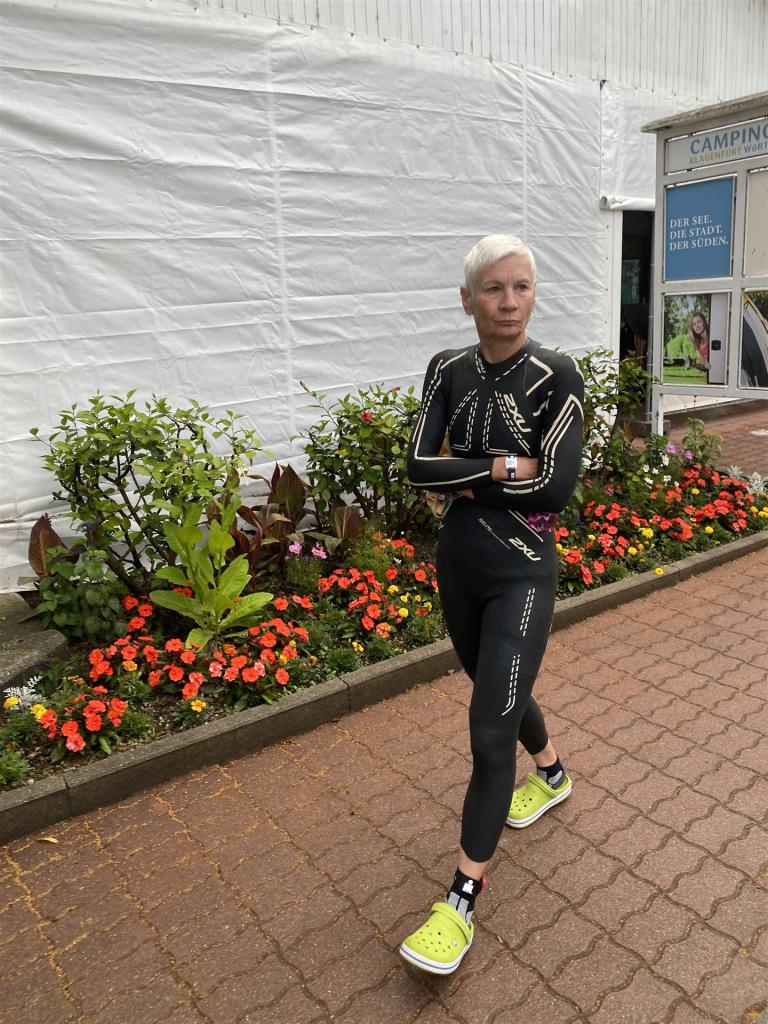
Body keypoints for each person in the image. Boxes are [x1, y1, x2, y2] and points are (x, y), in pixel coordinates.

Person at [399, 234, 584, 975]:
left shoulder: (556, 375)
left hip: (523, 574)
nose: (509, 302)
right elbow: (417, 467)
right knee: (494, 687)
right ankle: (554, 773)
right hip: (459, 566)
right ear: (467, 297)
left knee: (486, 731)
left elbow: (556, 489)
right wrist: (504, 466)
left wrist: (463, 477)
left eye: (522, 287)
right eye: (494, 288)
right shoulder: (446, 368)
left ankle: (460, 901)